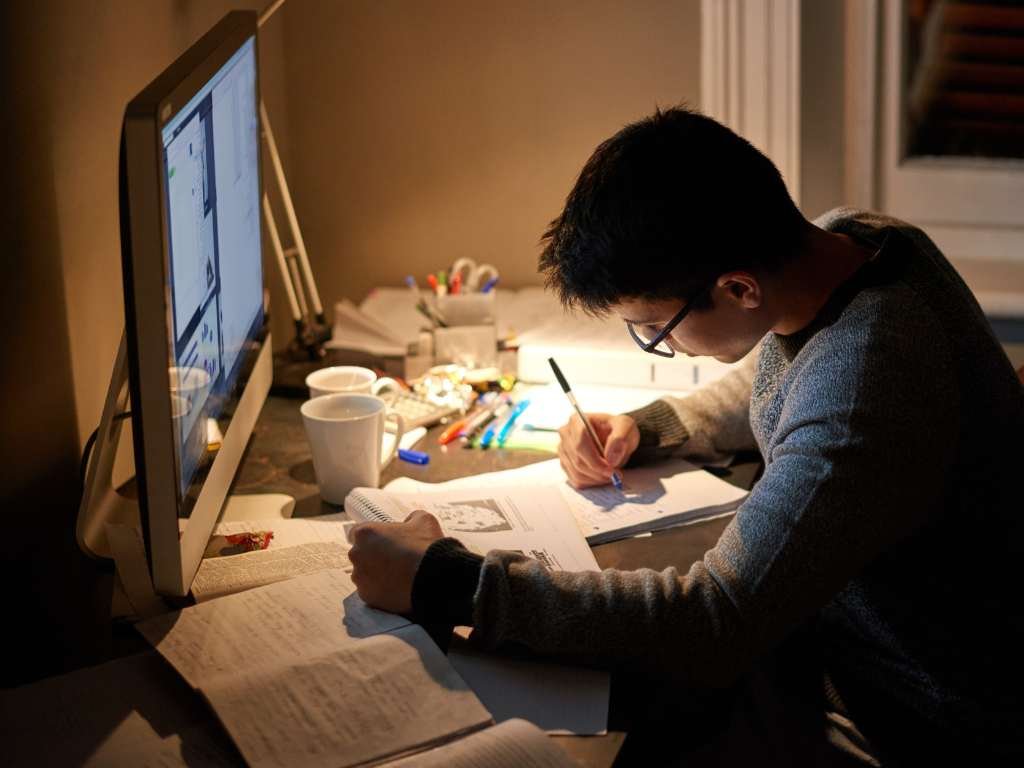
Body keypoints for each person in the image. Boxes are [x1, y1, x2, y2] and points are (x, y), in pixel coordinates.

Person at [348, 107, 1024, 766]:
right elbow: (783, 364)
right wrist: (650, 428)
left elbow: (714, 622)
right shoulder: (853, 241)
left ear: (737, 288)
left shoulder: (863, 388)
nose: (651, 341)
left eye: (653, 327)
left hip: (911, 715)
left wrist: (448, 581)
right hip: (839, 648)